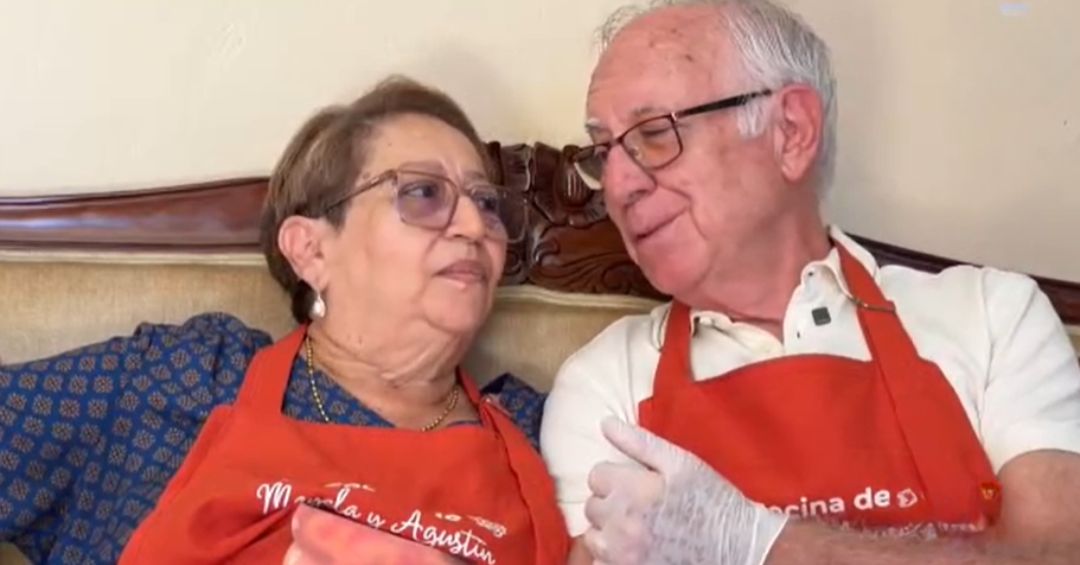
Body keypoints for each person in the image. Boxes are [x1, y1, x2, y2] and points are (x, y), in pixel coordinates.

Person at [540, 0, 1080, 563]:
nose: (618, 186)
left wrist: (753, 541)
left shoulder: (992, 316)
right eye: (602, 152)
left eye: (654, 134)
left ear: (792, 132)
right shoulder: (605, 382)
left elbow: (1056, 555)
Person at [0, 77, 570, 564]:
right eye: (423, 193)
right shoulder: (190, 375)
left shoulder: (546, 430)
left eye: (487, 202)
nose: (473, 225)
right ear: (311, 251)